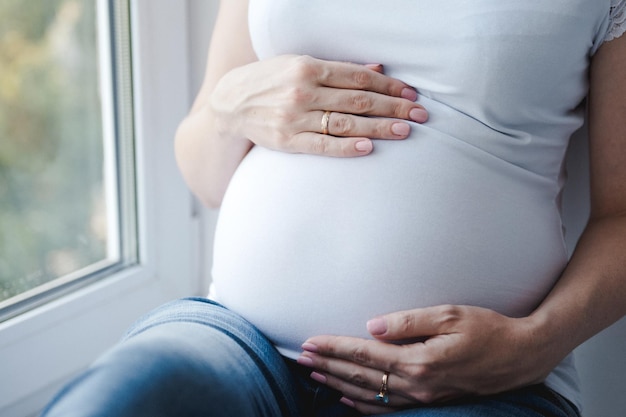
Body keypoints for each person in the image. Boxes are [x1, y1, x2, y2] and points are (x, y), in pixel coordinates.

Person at [41, 1, 626, 416]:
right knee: (112, 403)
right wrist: (229, 109)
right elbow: (207, 177)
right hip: (242, 339)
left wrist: (535, 347)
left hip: (477, 384)